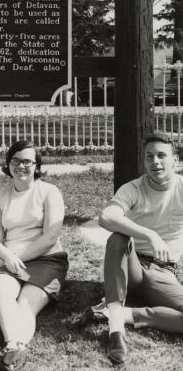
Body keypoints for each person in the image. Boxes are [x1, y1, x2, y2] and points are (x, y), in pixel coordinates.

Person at [82, 132, 183, 364]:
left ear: (174, 160)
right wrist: (149, 234)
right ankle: (116, 332)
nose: (155, 162)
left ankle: (125, 314)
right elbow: (107, 216)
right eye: (149, 157)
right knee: (119, 238)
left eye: (161, 156)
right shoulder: (134, 188)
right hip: (131, 265)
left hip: (163, 272)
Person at [0, 140, 68, 371]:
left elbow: (50, 237)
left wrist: (14, 257)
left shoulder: (49, 192)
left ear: (37, 165)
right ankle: (13, 348)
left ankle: (13, 349)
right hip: (9, 259)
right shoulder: (0, 197)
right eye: (16, 161)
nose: (21, 166)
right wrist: (8, 257)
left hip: (47, 259)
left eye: (27, 161)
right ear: (8, 164)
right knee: (2, 291)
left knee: (26, 305)